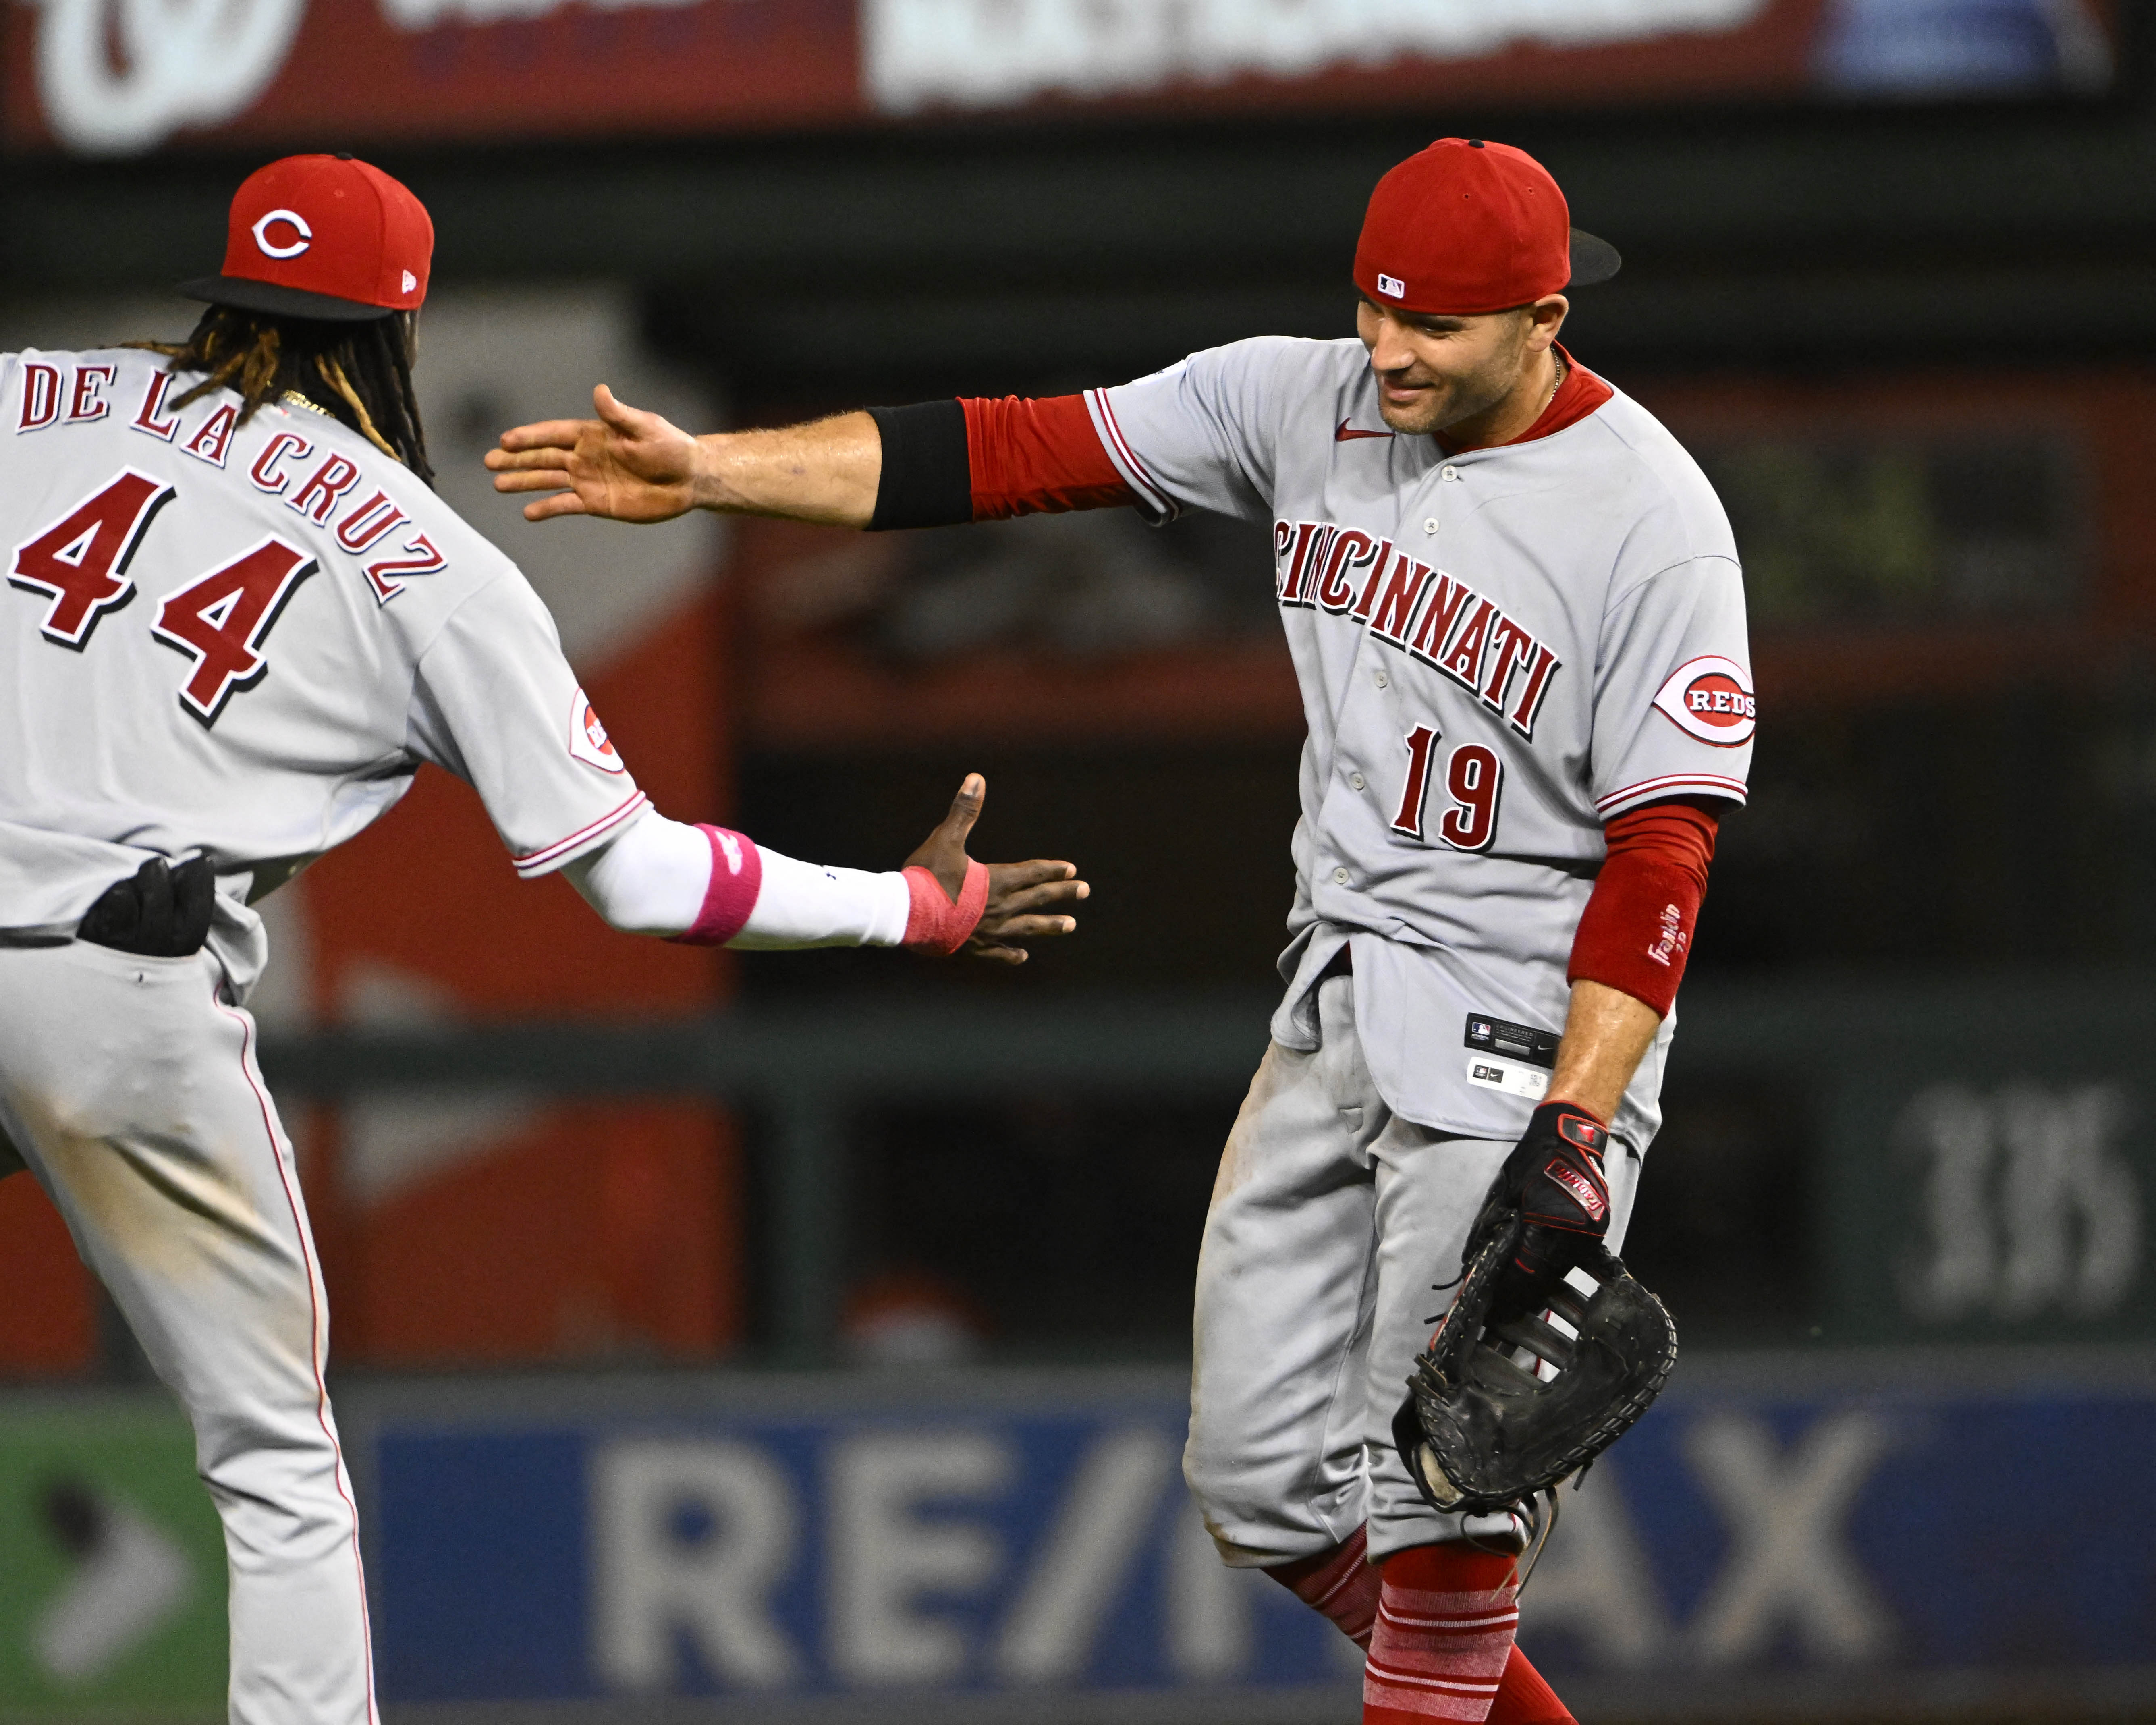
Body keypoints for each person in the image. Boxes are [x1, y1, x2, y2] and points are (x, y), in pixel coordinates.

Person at [0, 152, 1087, 1725]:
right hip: (115, 990)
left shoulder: (25, 396)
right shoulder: (427, 561)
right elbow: (633, 881)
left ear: (229, 290)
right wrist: (901, 904)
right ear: (400, 332)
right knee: (275, 1470)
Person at [485, 137, 1751, 1724]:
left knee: (1440, 1496)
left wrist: (1576, 1124)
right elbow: (1012, 450)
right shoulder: (1304, 401)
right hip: (1340, 999)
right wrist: (715, 471)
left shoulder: (1649, 521)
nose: (1388, 350)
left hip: (1518, 1033)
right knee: (1261, 1484)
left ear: (1544, 318)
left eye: (1434, 325)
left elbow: (1663, 849)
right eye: (1374, 307)